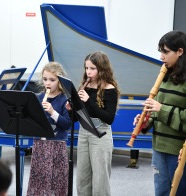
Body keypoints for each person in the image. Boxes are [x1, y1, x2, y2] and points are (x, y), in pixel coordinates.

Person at [133, 30, 186, 196]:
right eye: (160, 52)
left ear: (180, 51)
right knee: (161, 192)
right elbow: (158, 112)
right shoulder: (165, 76)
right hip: (159, 146)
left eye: (166, 52)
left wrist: (160, 109)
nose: (161, 57)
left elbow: (165, 110)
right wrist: (147, 121)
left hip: (178, 149)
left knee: (178, 192)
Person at [74, 51, 120, 196]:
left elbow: (109, 118)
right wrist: (72, 108)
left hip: (101, 134)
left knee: (100, 181)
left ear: (102, 68)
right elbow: (77, 117)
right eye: (86, 68)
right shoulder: (85, 86)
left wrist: (89, 100)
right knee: (82, 179)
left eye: (92, 68)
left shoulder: (110, 89)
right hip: (84, 132)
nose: (88, 72)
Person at [26, 62, 71, 196]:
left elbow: (67, 124)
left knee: (56, 179)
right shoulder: (39, 98)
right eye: (45, 79)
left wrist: (52, 112)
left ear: (60, 80)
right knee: (39, 178)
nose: (48, 83)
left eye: (52, 80)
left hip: (57, 144)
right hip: (40, 143)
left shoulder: (64, 99)